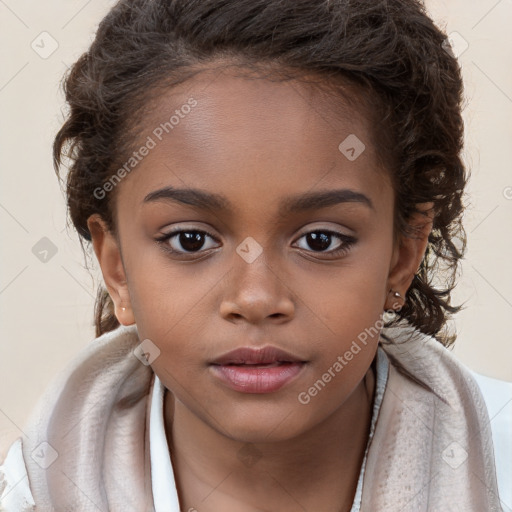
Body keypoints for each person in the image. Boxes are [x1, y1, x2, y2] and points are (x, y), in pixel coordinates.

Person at [0, 0, 509, 510]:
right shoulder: (35, 493)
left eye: (320, 240)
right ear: (117, 269)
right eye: (191, 240)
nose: (256, 297)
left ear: (403, 256)